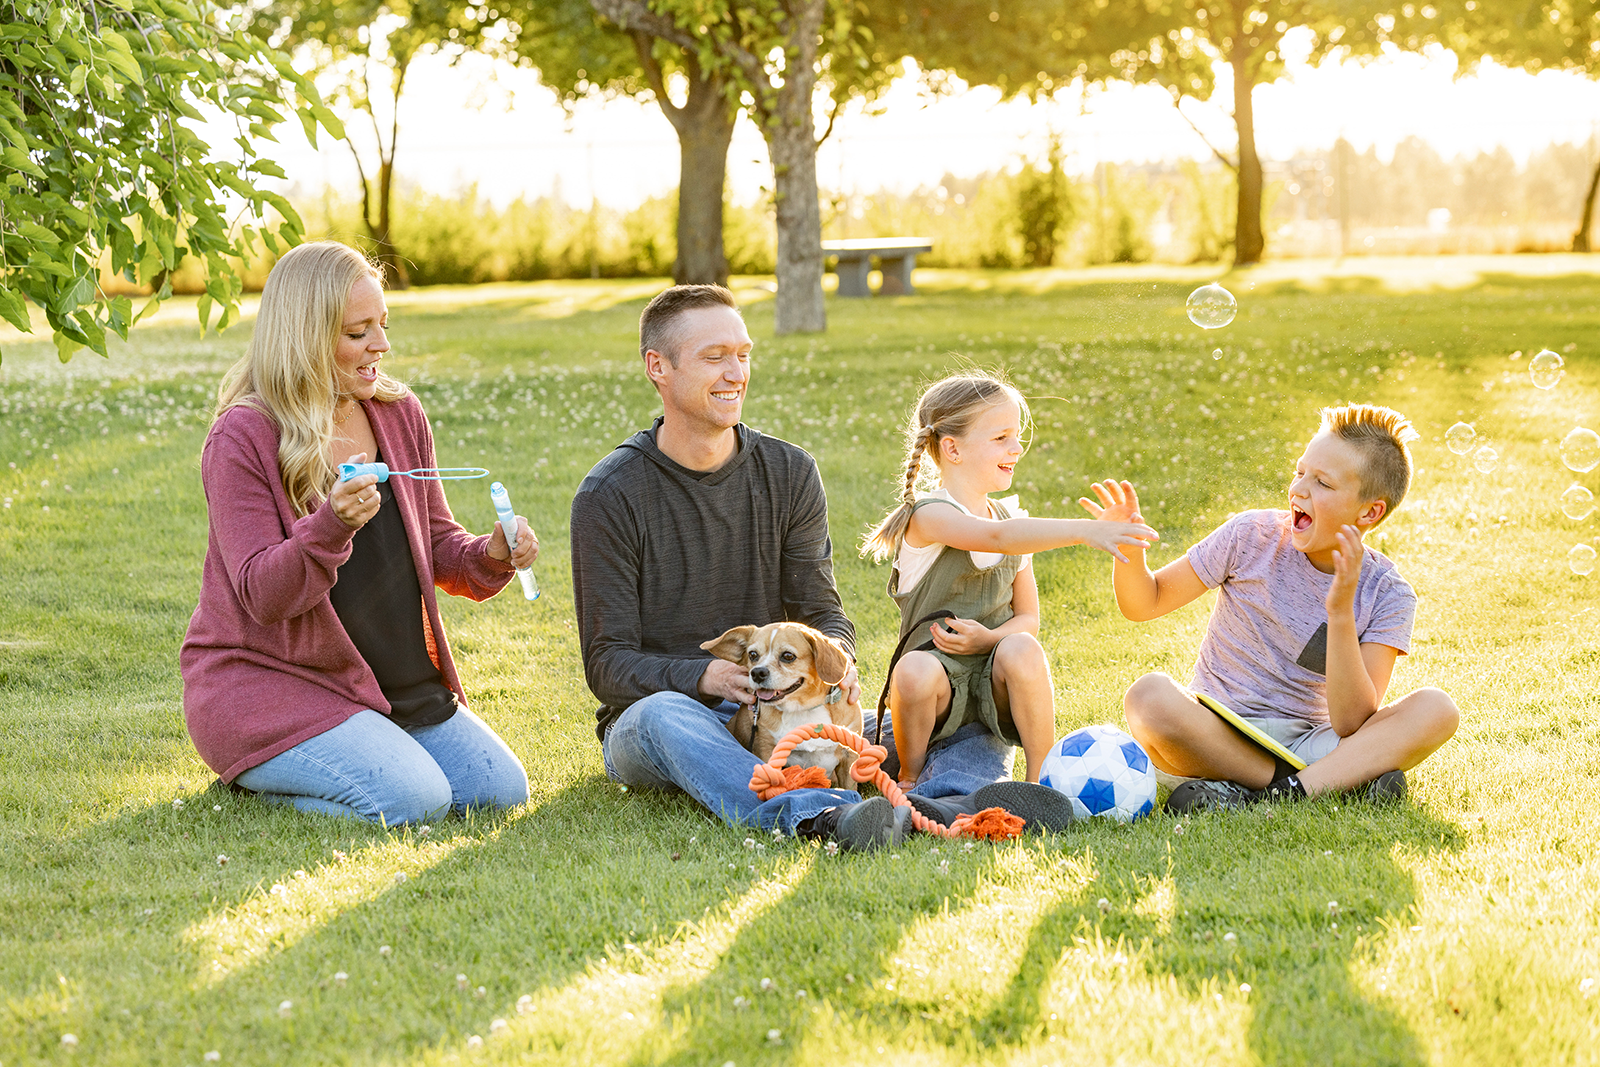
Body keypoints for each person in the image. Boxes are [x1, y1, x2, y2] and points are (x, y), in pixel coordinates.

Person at [571, 287, 1073, 851]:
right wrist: (704, 677)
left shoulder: (790, 471)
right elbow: (606, 664)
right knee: (662, 716)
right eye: (715, 357)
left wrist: (841, 661)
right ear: (657, 367)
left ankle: (947, 798)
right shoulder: (610, 494)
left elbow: (822, 612)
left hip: (796, 707)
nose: (736, 372)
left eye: (744, 354)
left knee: (949, 691)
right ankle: (818, 815)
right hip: (681, 723)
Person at [180, 241, 534, 825]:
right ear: (307, 338)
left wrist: (491, 554)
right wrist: (331, 525)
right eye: (358, 332)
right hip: (273, 687)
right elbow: (263, 597)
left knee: (499, 791)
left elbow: (438, 544)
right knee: (417, 800)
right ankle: (260, 779)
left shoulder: (397, 413)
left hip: (385, 681)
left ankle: (366, 748)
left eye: (383, 325)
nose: (382, 346)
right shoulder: (243, 437)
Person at [1089, 403, 1459, 812]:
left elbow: (1353, 722)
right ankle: (1328, 783)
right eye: (1300, 472)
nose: (1299, 490)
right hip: (1215, 728)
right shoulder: (1251, 535)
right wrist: (1128, 552)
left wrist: (1340, 614)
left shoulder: (1387, 593)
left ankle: (1261, 791)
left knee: (1437, 709)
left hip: (1308, 739)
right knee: (1149, 697)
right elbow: (1146, 602)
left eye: (1322, 483)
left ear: (1369, 511)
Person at [860, 372, 1160, 786]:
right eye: (1001, 438)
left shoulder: (1012, 521)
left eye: (1016, 436)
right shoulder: (929, 517)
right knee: (912, 669)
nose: (1017, 448)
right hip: (936, 692)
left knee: (1022, 646)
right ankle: (909, 779)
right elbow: (994, 538)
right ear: (952, 448)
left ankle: (1040, 782)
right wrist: (1085, 531)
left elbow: (1028, 618)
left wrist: (988, 640)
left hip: (992, 688)